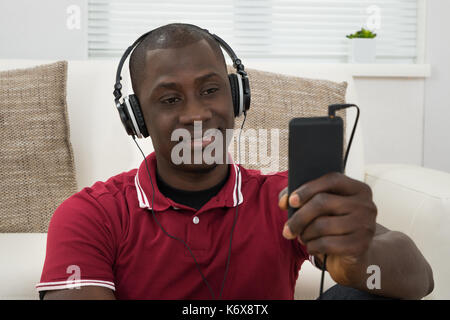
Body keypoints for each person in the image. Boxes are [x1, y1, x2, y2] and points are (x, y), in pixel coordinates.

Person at [37, 23, 434, 300]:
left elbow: (422, 280)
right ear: (137, 119)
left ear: (236, 97)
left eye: (210, 90)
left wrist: (356, 252)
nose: (196, 114)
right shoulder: (90, 214)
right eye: (170, 99)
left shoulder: (286, 197)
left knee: (366, 291)